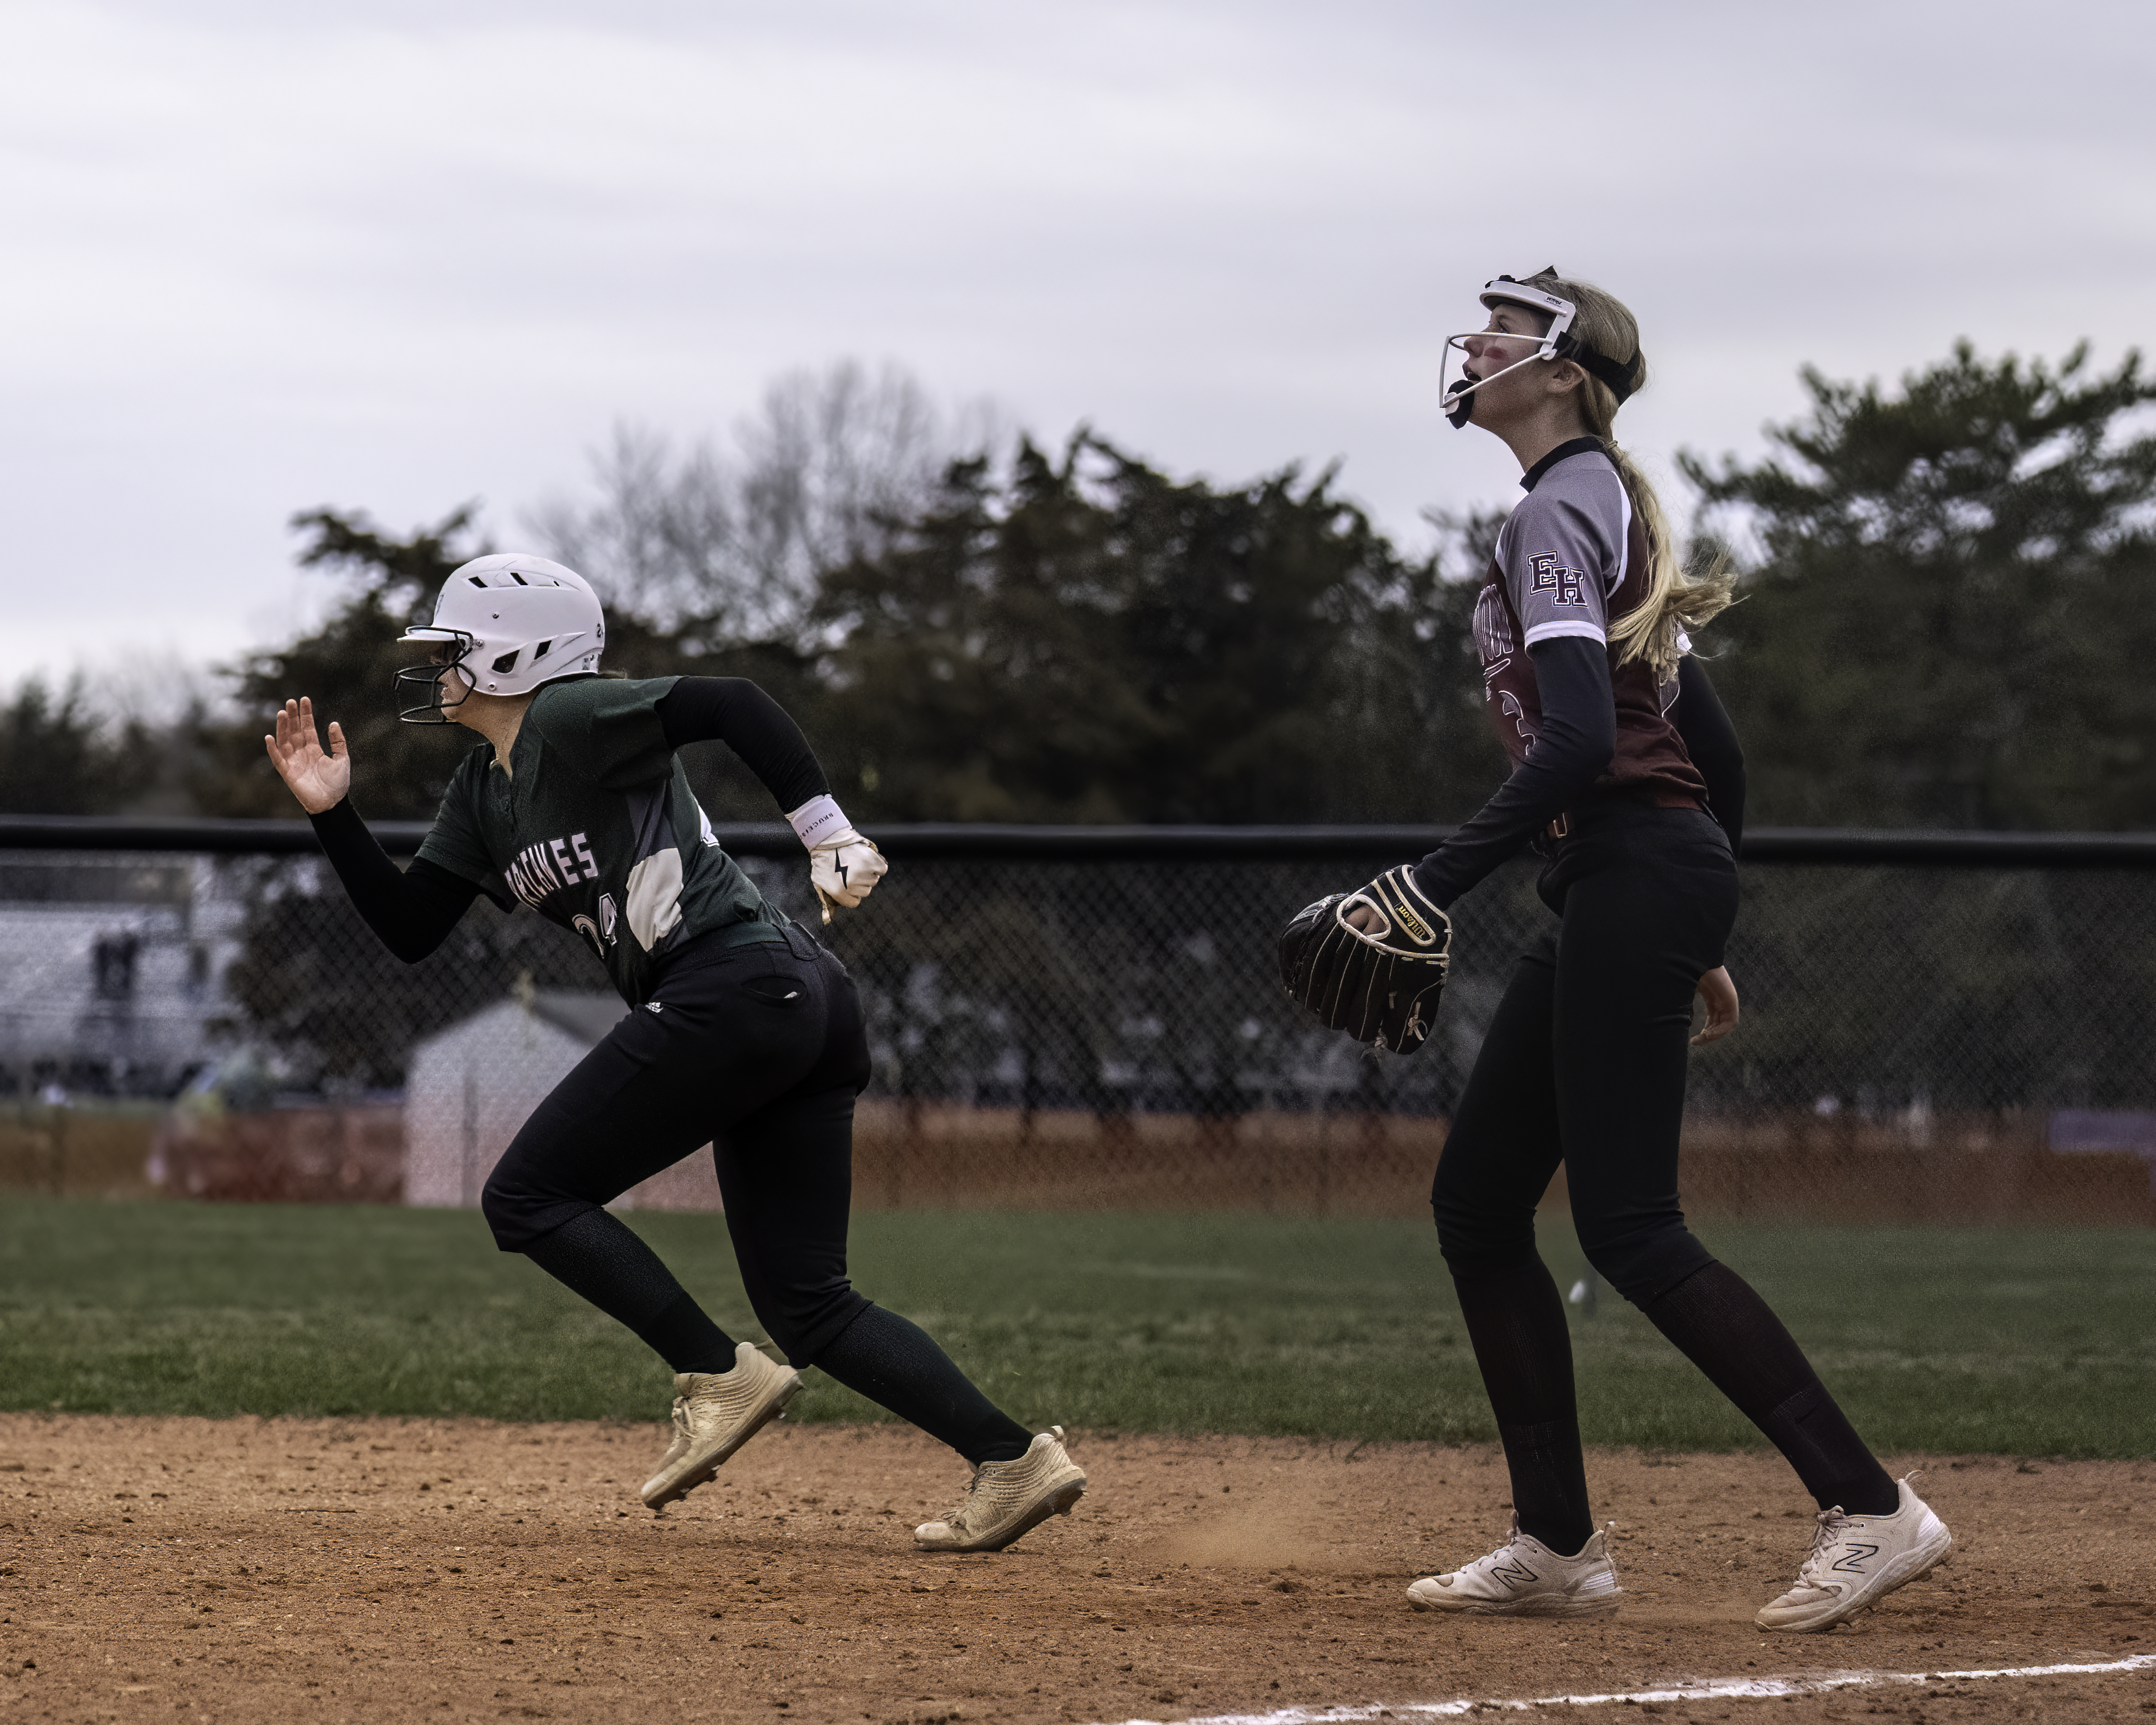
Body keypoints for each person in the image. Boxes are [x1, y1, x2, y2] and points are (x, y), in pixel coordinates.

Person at [263, 551, 1085, 1553]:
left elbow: (735, 703)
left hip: (736, 981)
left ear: (518, 652)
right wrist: (329, 812)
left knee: (526, 1196)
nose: (437, 669)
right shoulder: (485, 789)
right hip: (783, 998)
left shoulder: (566, 718)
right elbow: (407, 928)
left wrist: (825, 829)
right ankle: (1012, 1460)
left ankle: (715, 1373)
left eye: (454, 647)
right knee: (810, 1304)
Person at [1379, 272, 1951, 1631]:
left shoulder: (1557, 506)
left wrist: (1434, 879)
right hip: (1629, 880)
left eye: (1506, 331)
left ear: (1565, 373)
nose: (1476, 343)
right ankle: (1557, 1545)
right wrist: (1700, 926)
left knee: (1629, 1228)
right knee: (1477, 1205)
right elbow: (1718, 753)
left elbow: (1584, 745)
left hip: (1632, 867)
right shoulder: (1589, 506)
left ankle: (1870, 1507)